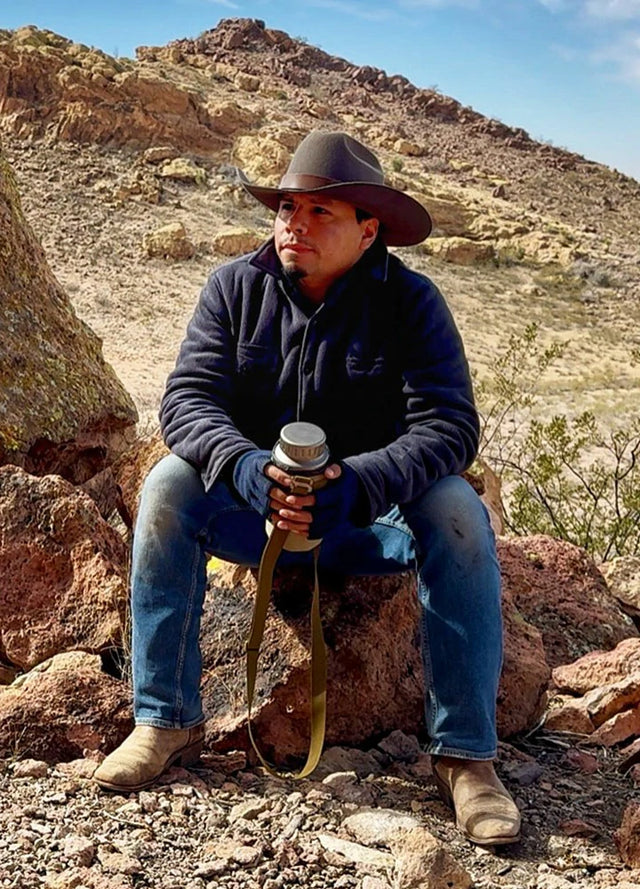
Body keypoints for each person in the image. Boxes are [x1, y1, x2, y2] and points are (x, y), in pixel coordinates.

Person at [94, 131, 521, 846]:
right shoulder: (233, 287)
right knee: (169, 483)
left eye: (323, 212)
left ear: (370, 229)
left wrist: (358, 482)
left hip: (366, 521)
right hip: (255, 515)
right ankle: (163, 718)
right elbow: (189, 401)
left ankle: (467, 758)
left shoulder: (413, 303)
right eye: (289, 206)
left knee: (457, 511)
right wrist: (246, 470)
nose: (296, 223)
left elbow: (448, 424)